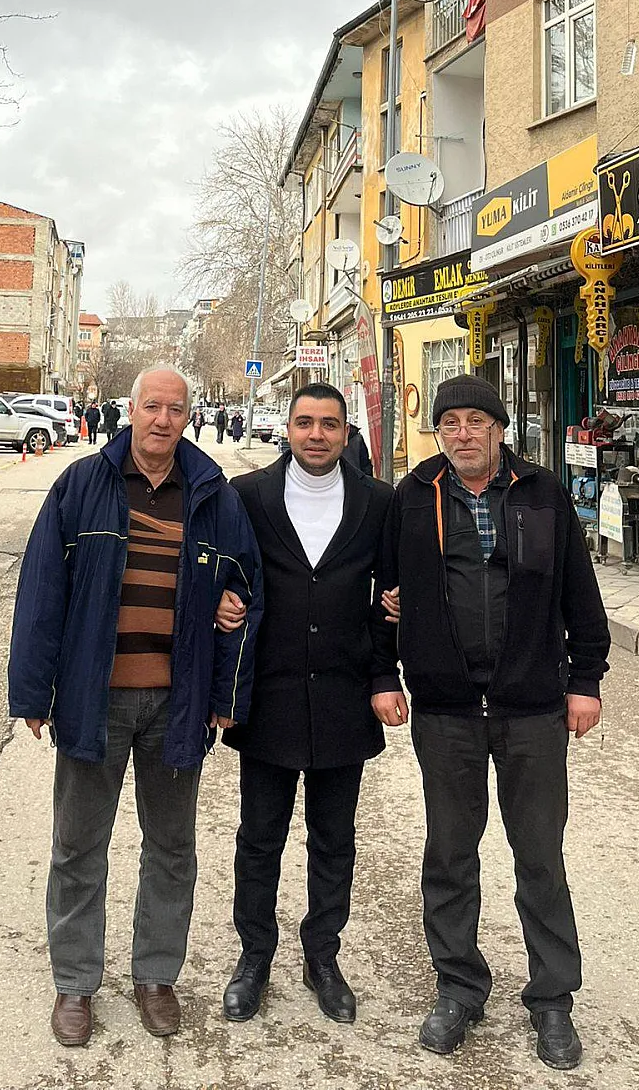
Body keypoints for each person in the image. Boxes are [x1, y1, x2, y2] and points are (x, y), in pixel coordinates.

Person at [8, 367, 263, 1049]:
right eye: (151, 406)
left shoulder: (212, 495)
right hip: (96, 699)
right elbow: (41, 593)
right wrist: (33, 692)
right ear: (130, 410)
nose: (161, 420)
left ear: (188, 415)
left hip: (177, 704)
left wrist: (225, 693)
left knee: (172, 847)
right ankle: (75, 984)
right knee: (77, 846)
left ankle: (156, 977)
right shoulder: (82, 486)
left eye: (174, 409)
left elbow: (246, 591)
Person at [372, 374, 609, 1071]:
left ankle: (553, 999)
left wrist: (585, 681)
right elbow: (382, 593)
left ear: (500, 428)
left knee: (539, 854)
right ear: (439, 433)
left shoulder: (541, 494)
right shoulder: (414, 499)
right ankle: (459, 987)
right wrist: (384, 674)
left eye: (476, 420)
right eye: (451, 423)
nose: (463, 433)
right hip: (445, 708)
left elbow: (579, 594)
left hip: (531, 705)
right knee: (450, 852)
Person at [216, 383, 394, 1026]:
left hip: (344, 696)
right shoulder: (250, 497)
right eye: (304, 423)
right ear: (287, 430)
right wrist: (218, 602)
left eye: (329, 425)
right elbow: (220, 572)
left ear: (348, 434)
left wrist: (384, 672)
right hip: (269, 694)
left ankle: (322, 957)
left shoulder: (377, 503)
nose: (316, 435)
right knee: (259, 837)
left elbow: (392, 597)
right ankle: (253, 958)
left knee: (333, 838)